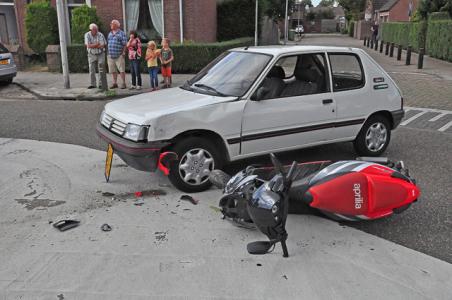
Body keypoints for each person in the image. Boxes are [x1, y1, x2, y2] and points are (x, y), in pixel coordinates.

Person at [84, 23, 106, 89]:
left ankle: (101, 84)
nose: (96, 31)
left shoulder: (100, 34)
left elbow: (102, 45)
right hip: (91, 54)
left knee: (101, 69)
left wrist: (92, 45)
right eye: (94, 30)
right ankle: (93, 84)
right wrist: (97, 44)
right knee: (91, 69)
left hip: (100, 53)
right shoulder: (87, 35)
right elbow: (88, 45)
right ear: (91, 30)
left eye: (96, 29)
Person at [107, 20, 127, 89]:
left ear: (116, 25)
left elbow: (124, 44)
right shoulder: (110, 33)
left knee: (121, 70)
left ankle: (123, 83)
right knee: (113, 70)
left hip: (119, 55)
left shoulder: (121, 33)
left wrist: (123, 52)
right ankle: (115, 83)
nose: (110, 25)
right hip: (110, 55)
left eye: (112, 24)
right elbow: (108, 43)